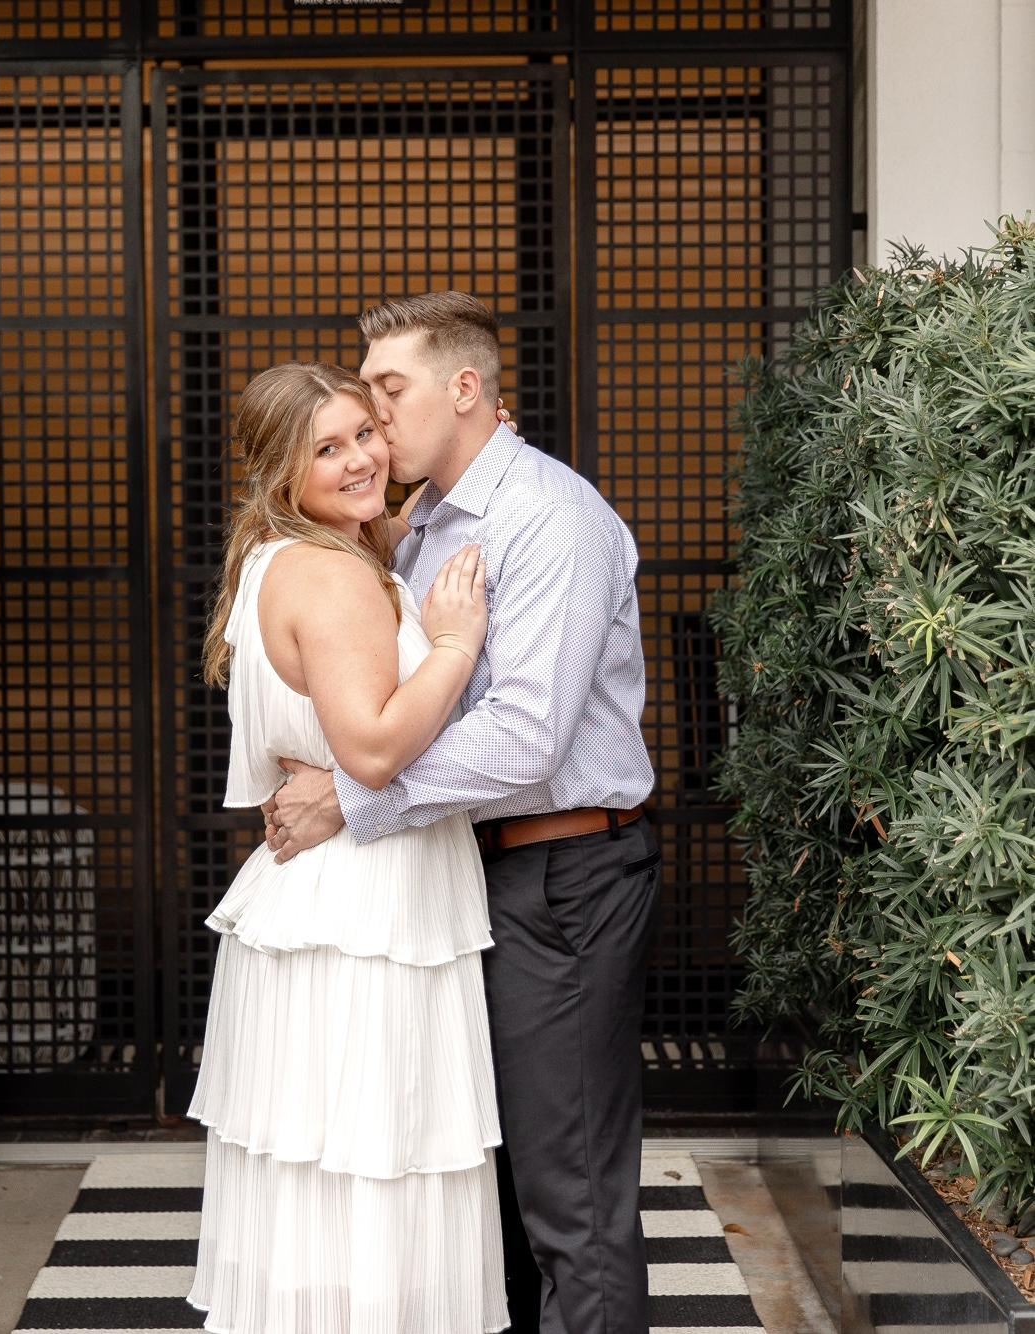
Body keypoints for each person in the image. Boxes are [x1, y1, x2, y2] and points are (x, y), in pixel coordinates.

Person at [263, 292, 661, 1334]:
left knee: (571, 1193)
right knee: (495, 1191)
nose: (373, 416)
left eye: (388, 391)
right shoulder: (421, 525)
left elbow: (527, 737)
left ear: (467, 388)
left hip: (565, 880)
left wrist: (353, 797)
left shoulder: (552, 519)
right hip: (468, 880)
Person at [184, 359, 510, 1334]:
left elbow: (395, 539)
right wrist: (452, 645)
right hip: (368, 910)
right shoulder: (329, 576)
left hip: (327, 895)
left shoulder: (291, 555)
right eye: (326, 449)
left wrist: (464, 463)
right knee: (377, 1170)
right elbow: (368, 747)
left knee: (327, 1186)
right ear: (281, 473)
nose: (361, 457)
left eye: (365, 431)